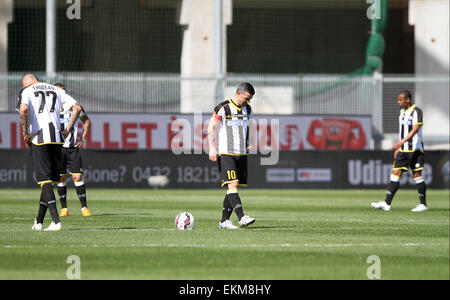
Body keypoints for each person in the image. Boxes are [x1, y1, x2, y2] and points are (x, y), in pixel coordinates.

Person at [18, 73, 81, 231]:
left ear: (26, 83)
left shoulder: (27, 90)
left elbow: (23, 110)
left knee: (44, 180)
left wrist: (25, 134)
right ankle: (39, 222)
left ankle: (55, 221)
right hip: (58, 139)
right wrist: (67, 129)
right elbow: (77, 108)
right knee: (49, 181)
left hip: (40, 138)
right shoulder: (56, 89)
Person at [207, 82, 256, 229]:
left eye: (250, 99)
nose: (248, 101)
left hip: (241, 152)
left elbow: (250, 126)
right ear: (238, 93)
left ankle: (224, 221)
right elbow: (211, 127)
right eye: (247, 98)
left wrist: (250, 141)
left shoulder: (248, 108)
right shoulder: (223, 108)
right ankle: (242, 217)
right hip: (226, 152)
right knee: (233, 184)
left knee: (233, 188)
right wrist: (212, 148)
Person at [371, 90, 428, 212]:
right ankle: (387, 203)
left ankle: (423, 204)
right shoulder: (402, 112)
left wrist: (401, 143)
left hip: (415, 149)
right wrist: (400, 147)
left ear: (408, 100)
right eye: (398, 99)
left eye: (401, 100)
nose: (399, 102)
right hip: (403, 150)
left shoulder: (417, 111)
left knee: (417, 175)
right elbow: (402, 131)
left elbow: (415, 130)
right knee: (395, 173)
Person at [54, 83, 92, 217]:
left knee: (77, 176)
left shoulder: (74, 106)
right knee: (61, 178)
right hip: (57, 148)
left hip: (71, 148)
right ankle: (64, 208)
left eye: (63, 91)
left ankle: (84, 207)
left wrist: (82, 138)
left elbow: (87, 122)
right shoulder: (51, 107)